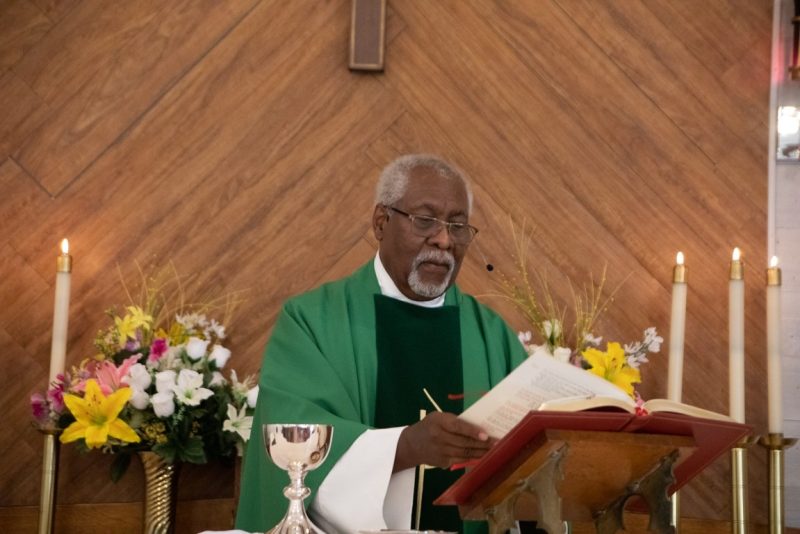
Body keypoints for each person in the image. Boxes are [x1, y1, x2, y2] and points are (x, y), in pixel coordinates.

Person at [236, 154, 528, 533]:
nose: (443, 240)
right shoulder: (312, 321)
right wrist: (404, 447)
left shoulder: (491, 334)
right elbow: (294, 452)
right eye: (425, 221)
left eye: (458, 226)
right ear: (381, 222)